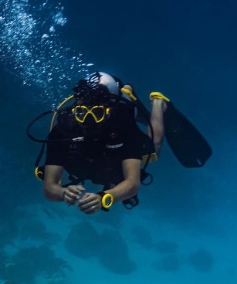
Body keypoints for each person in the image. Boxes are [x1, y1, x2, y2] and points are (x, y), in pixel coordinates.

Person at [40, 72, 167, 214]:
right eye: (82, 113)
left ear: (109, 111)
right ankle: (125, 91)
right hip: (95, 163)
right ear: (75, 109)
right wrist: (63, 193)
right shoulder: (63, 130)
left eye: (97, 113)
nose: (88, 121)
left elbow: (133, 183)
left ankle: (157, 103)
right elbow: (49, 188)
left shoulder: (121, 125)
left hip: (115, 144)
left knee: (153, 148)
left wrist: (104, 198)